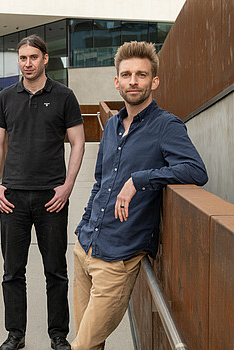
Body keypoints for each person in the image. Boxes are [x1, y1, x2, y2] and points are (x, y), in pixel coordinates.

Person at [71, 41, 208, 350]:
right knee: (90, 344)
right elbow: (99, 182)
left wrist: (140, 179)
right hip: (85, 247)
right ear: (117, 81)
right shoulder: (111, 127)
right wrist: (82, 227)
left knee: (80, 346)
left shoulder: (166, 126)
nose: (133, 81)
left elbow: (195, 170)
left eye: (141, 75)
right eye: (127, 74)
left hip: (119, 257)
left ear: (154, 81)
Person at [0, 34, 86, 350]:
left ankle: (58, 335)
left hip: (51, 197)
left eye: (33, 57)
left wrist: (67, 185)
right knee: (12, 271)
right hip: (12, 196)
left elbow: (78, 142)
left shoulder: (64, 96)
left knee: (55, 271)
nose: (27, 63)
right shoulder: (6, 97)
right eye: (22, 58)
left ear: (45, 58)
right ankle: (15, 335)